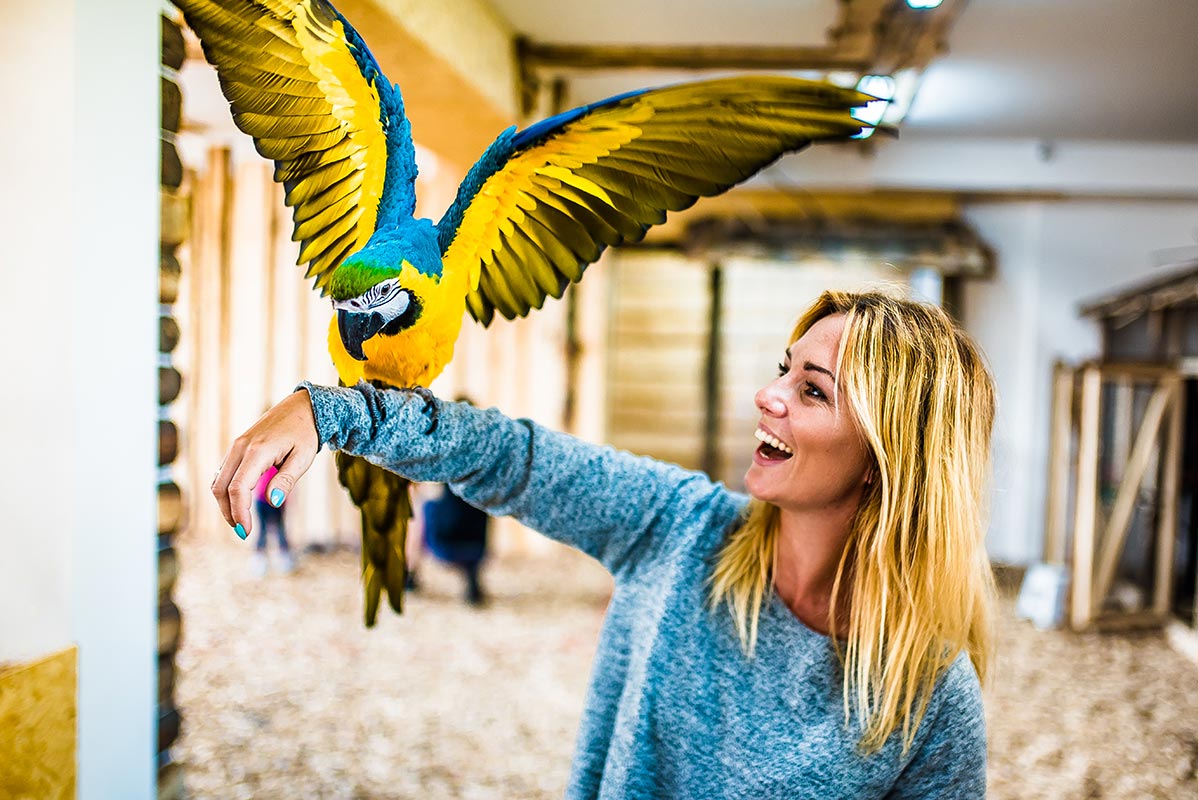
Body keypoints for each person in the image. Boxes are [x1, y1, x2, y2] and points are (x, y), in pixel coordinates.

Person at [212, 290, 996, 799]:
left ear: (888, 461)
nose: (768, 395)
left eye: (812, 390)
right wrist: (332, 413)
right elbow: (507, 455)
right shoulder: (679, 526)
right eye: (783, 370)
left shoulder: (929, 699)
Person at [251, 464, 293, 576]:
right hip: (262, 499)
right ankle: (259, 559)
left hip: (277, 500)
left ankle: (284, 558)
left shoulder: (281, 461)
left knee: (280, 530)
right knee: (262, 531)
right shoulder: (263, 460)